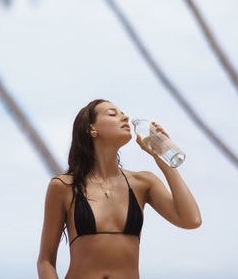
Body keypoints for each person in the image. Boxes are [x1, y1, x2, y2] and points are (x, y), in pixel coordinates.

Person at [37, 99, 201, 279]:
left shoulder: (143, 182)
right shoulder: (64, 186)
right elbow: (45, 261)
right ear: (91, 129)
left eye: (122, 113)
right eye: (113, 114)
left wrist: (163, 159)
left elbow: (191, 220)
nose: (125, 117)